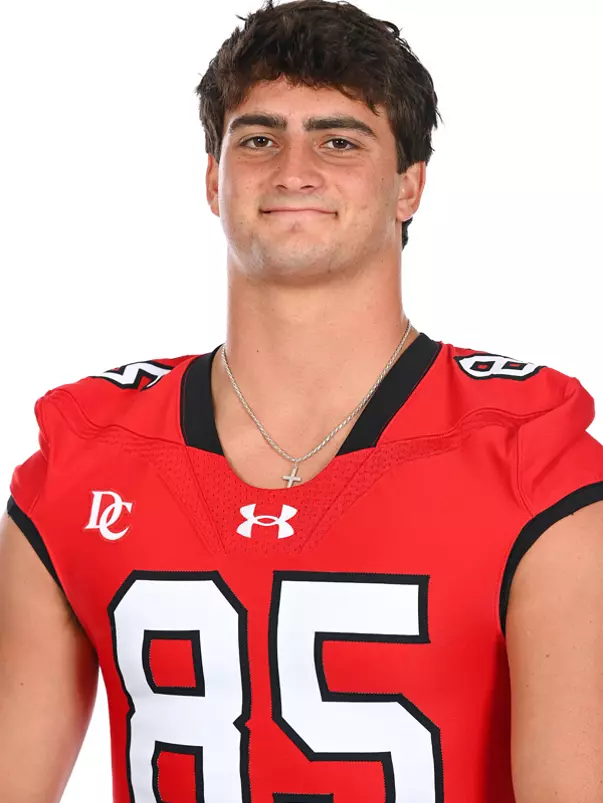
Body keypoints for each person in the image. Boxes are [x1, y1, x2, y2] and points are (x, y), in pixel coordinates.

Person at [1, 0, 603, 800]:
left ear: (408, 187)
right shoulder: (85, 456)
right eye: (257, 138)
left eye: (338, 140)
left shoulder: (526, 455)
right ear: (214, 181)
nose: (293, 170)